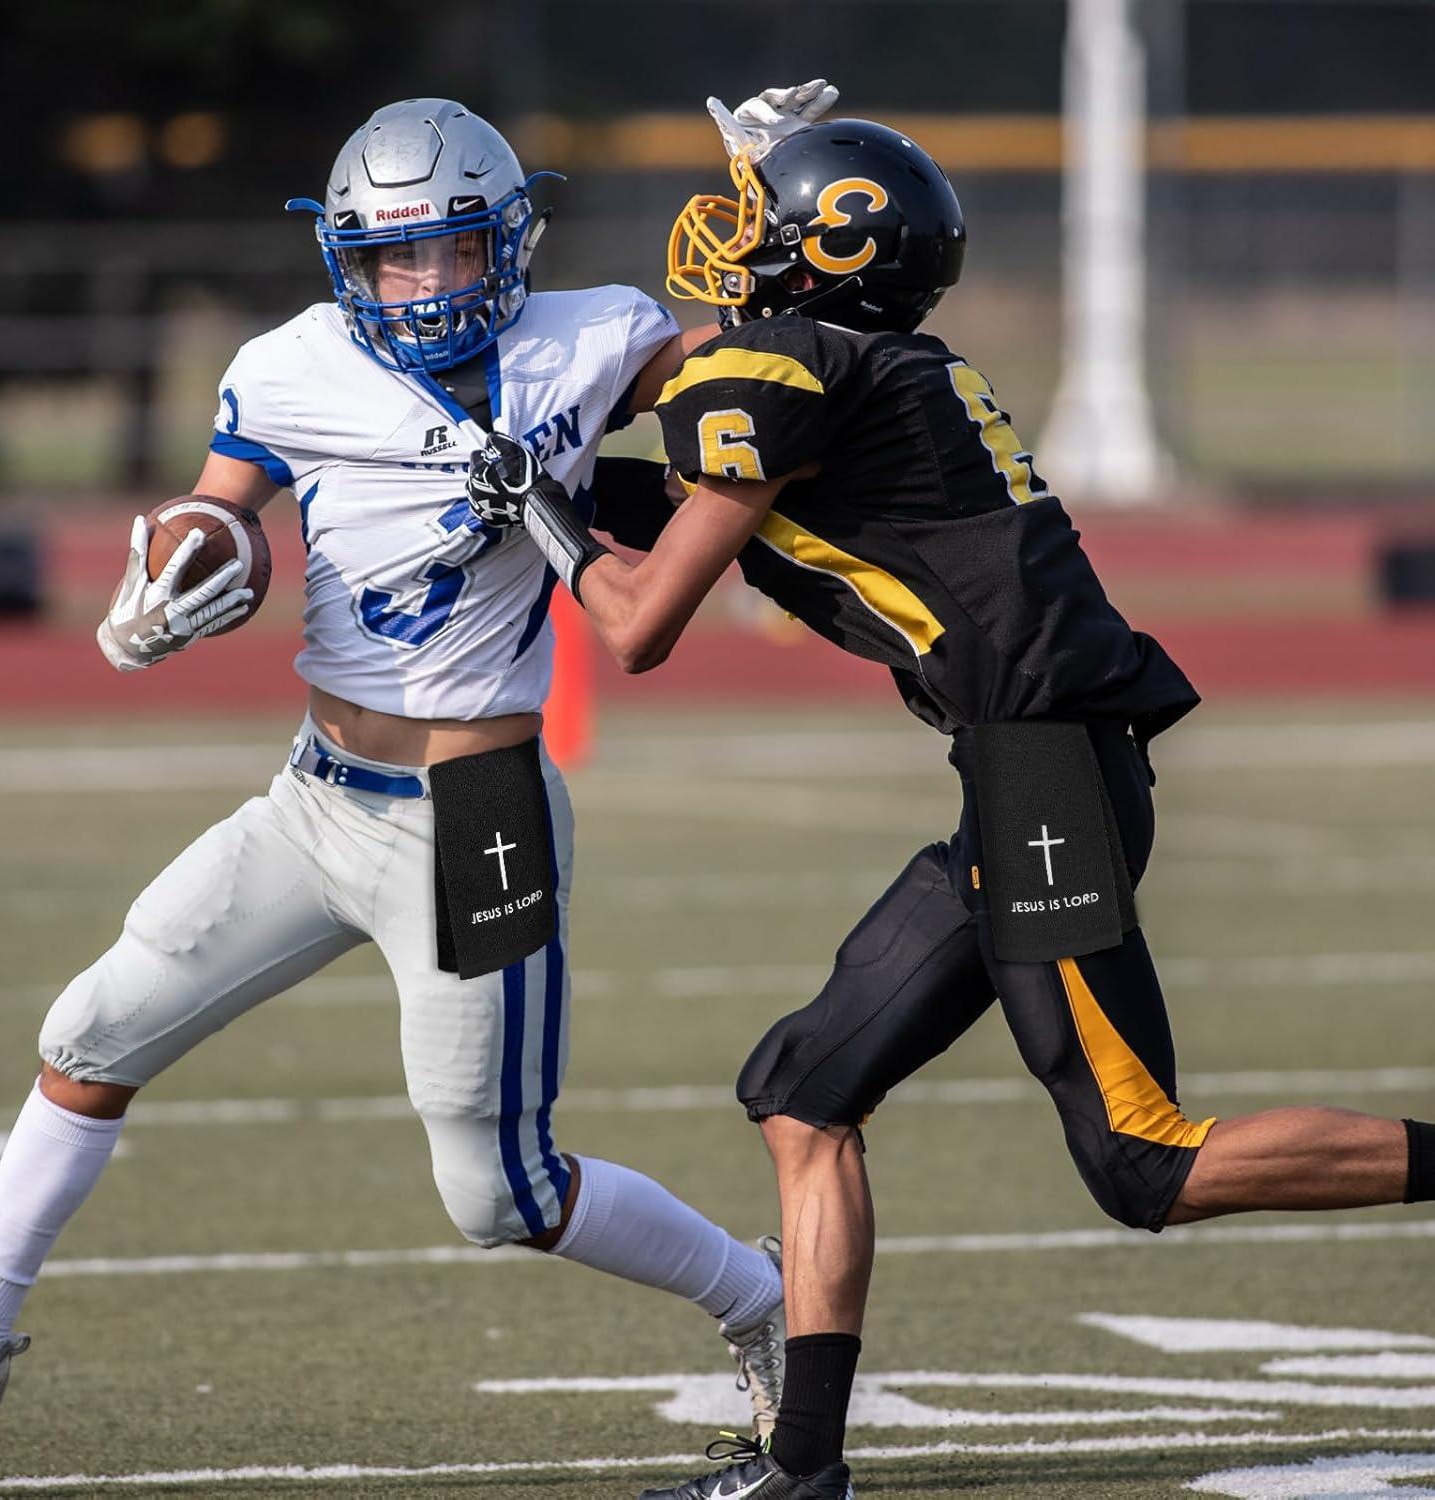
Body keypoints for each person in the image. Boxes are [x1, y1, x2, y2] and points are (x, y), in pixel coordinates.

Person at [464, 104, 1435, 1500]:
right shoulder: (849, 362)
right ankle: (804, 1470)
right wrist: (541, 471)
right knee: (802, 1091)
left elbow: (636, 621)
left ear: (821, 253)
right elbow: (657, 469)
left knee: (1142, 1160)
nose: (732, 236)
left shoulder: (795, 364)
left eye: (758, 214)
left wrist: (538, 507)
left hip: (1046, 767)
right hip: (1022, 769)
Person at [0, 95, 809, 1436]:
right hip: (313, 797)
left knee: (498, 1196)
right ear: (350, 259)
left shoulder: (589, 335)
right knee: (88, 1033)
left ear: (508, 240)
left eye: (457, 248)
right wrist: (167, 584)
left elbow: (768, 377)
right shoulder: (289, 365)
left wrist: (771, 200)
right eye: (397, 255)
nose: (430, 279)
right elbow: (217, 512)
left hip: (476, 814)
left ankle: (761, 1300)